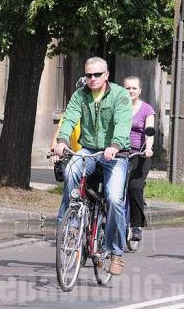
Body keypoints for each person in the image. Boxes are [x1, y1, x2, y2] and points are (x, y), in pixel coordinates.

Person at [54, 57, 132, 276]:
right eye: (88, 75)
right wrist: (62, 141)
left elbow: (123, 122)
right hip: (89, 150)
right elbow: (69, 118)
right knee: (70, 170)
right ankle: (71, 223)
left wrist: (115, 145)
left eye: (97, 75)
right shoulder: (80, 95)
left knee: (114, 198)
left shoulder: (120, 95)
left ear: (106, 75)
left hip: (116, 154)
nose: (92, 79)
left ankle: (115, 252)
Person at [123, 76, 155, 241]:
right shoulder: (119, 107)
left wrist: (148, 148)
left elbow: (149, 130)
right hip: (120, 152)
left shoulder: (147, 109)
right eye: (127, 88)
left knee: (134, 187)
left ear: (140, 90)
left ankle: (136, 226)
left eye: (134, 88)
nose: (130, 91)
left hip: (139, 154)